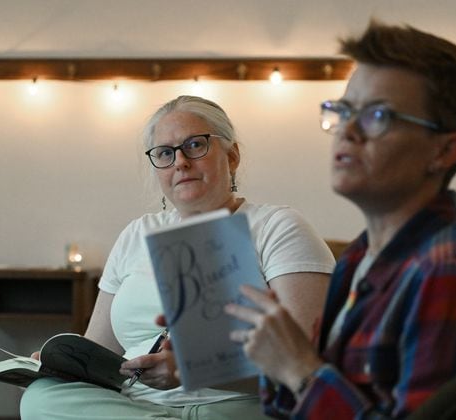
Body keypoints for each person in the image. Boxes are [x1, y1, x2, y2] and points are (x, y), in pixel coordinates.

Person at [225, 21, 456, 419]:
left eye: (377, 115)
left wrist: (300, 370)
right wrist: (271, 352)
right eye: (344, 110)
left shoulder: (449, 270)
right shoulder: (357, 260)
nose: (347, 131)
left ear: (443, 151)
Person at [20, 95, 335, 419]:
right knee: (41, 397)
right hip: (134, 406)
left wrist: (190, 372)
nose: (180, 162)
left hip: (232, 408)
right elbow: (99, 351)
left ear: (233, 156)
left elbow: (307, 364)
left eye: (195, 145)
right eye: (165, 153)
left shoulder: (278, 227)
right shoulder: (136, 234)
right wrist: (60, 365)